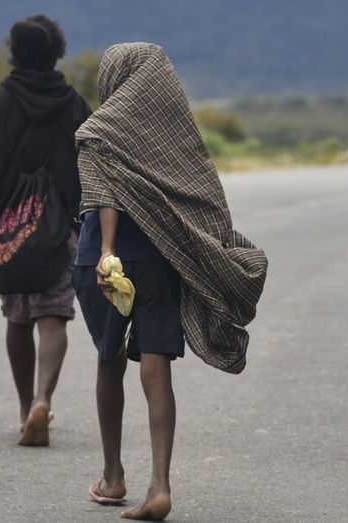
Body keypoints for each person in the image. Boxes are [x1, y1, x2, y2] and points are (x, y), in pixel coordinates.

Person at [72, 42, 267, 521]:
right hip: (161, 263)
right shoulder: (176, 134)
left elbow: (104, 196)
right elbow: (203, 196)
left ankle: (114, 476)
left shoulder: (99, 132)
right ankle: (159, 484)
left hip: (106, 265)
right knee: (156, 366)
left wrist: (107, 252)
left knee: (108, 360)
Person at [0, 15, 92, 446]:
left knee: (18, 320)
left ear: (14, 52)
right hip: (60, 233)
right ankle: (42, 399)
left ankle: (24, 411)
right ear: (57, 52)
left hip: (10, 232)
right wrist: (76, 216)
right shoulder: (74, 105)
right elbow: (94, 163)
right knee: (53, 315)